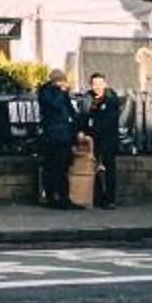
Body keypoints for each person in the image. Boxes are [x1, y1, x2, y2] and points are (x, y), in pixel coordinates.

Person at [35, 68, 81, 208]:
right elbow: (54, 105)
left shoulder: (63, 93)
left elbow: (70, 110)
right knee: (52, 167)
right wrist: (62, 92)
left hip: (65, 135)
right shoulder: (45, 92)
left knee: (63, 167)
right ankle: (52, 197)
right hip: (52, 135)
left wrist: (78, 127)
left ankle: (63, 197)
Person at [80, 73, 124, 209]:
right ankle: (98, 197)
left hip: (108, 139)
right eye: (94, 84)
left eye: (100, 84)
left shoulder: (111, 98)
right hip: (93, 140)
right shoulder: (88, 98)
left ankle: (110, 199)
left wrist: (95, 120)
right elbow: (83, 116)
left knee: (108, 169)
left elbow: (109, 119)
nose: (97, 87)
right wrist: (83, 131)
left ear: (105, 84)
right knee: (94, 168)